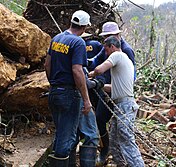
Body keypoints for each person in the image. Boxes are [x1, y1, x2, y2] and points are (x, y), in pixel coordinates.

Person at [44, 10, 92, 166]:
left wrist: (54, 83)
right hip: (69, 94)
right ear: (84, 27)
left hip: (54, 92)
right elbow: (77, 70)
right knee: (67, 138)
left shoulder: (57, 38)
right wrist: (86, 99)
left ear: (71, 22)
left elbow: (47, 64)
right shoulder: (78, 43)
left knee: (60, 134)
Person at [89, 36, 144, 167]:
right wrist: (98, 85)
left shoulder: (118, 56)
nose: (106, 54)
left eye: (106, 50)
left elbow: (99, 70)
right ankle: (121, 164)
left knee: (126, 139)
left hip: (125, 105)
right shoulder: (125, 61)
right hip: (121, 104)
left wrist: (89, 75)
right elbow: (114, 88)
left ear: (112, 47)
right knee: (114, 140)